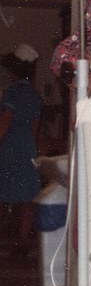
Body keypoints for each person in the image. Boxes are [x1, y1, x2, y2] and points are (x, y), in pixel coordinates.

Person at [0, 43, 43, 257]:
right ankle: (23, 242)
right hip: (27, 150)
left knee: (3, 194)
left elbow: (5, 124)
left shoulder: (12, 92)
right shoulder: (35, 96)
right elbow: (34, 129)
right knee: (26, 198)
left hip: (9, 149)